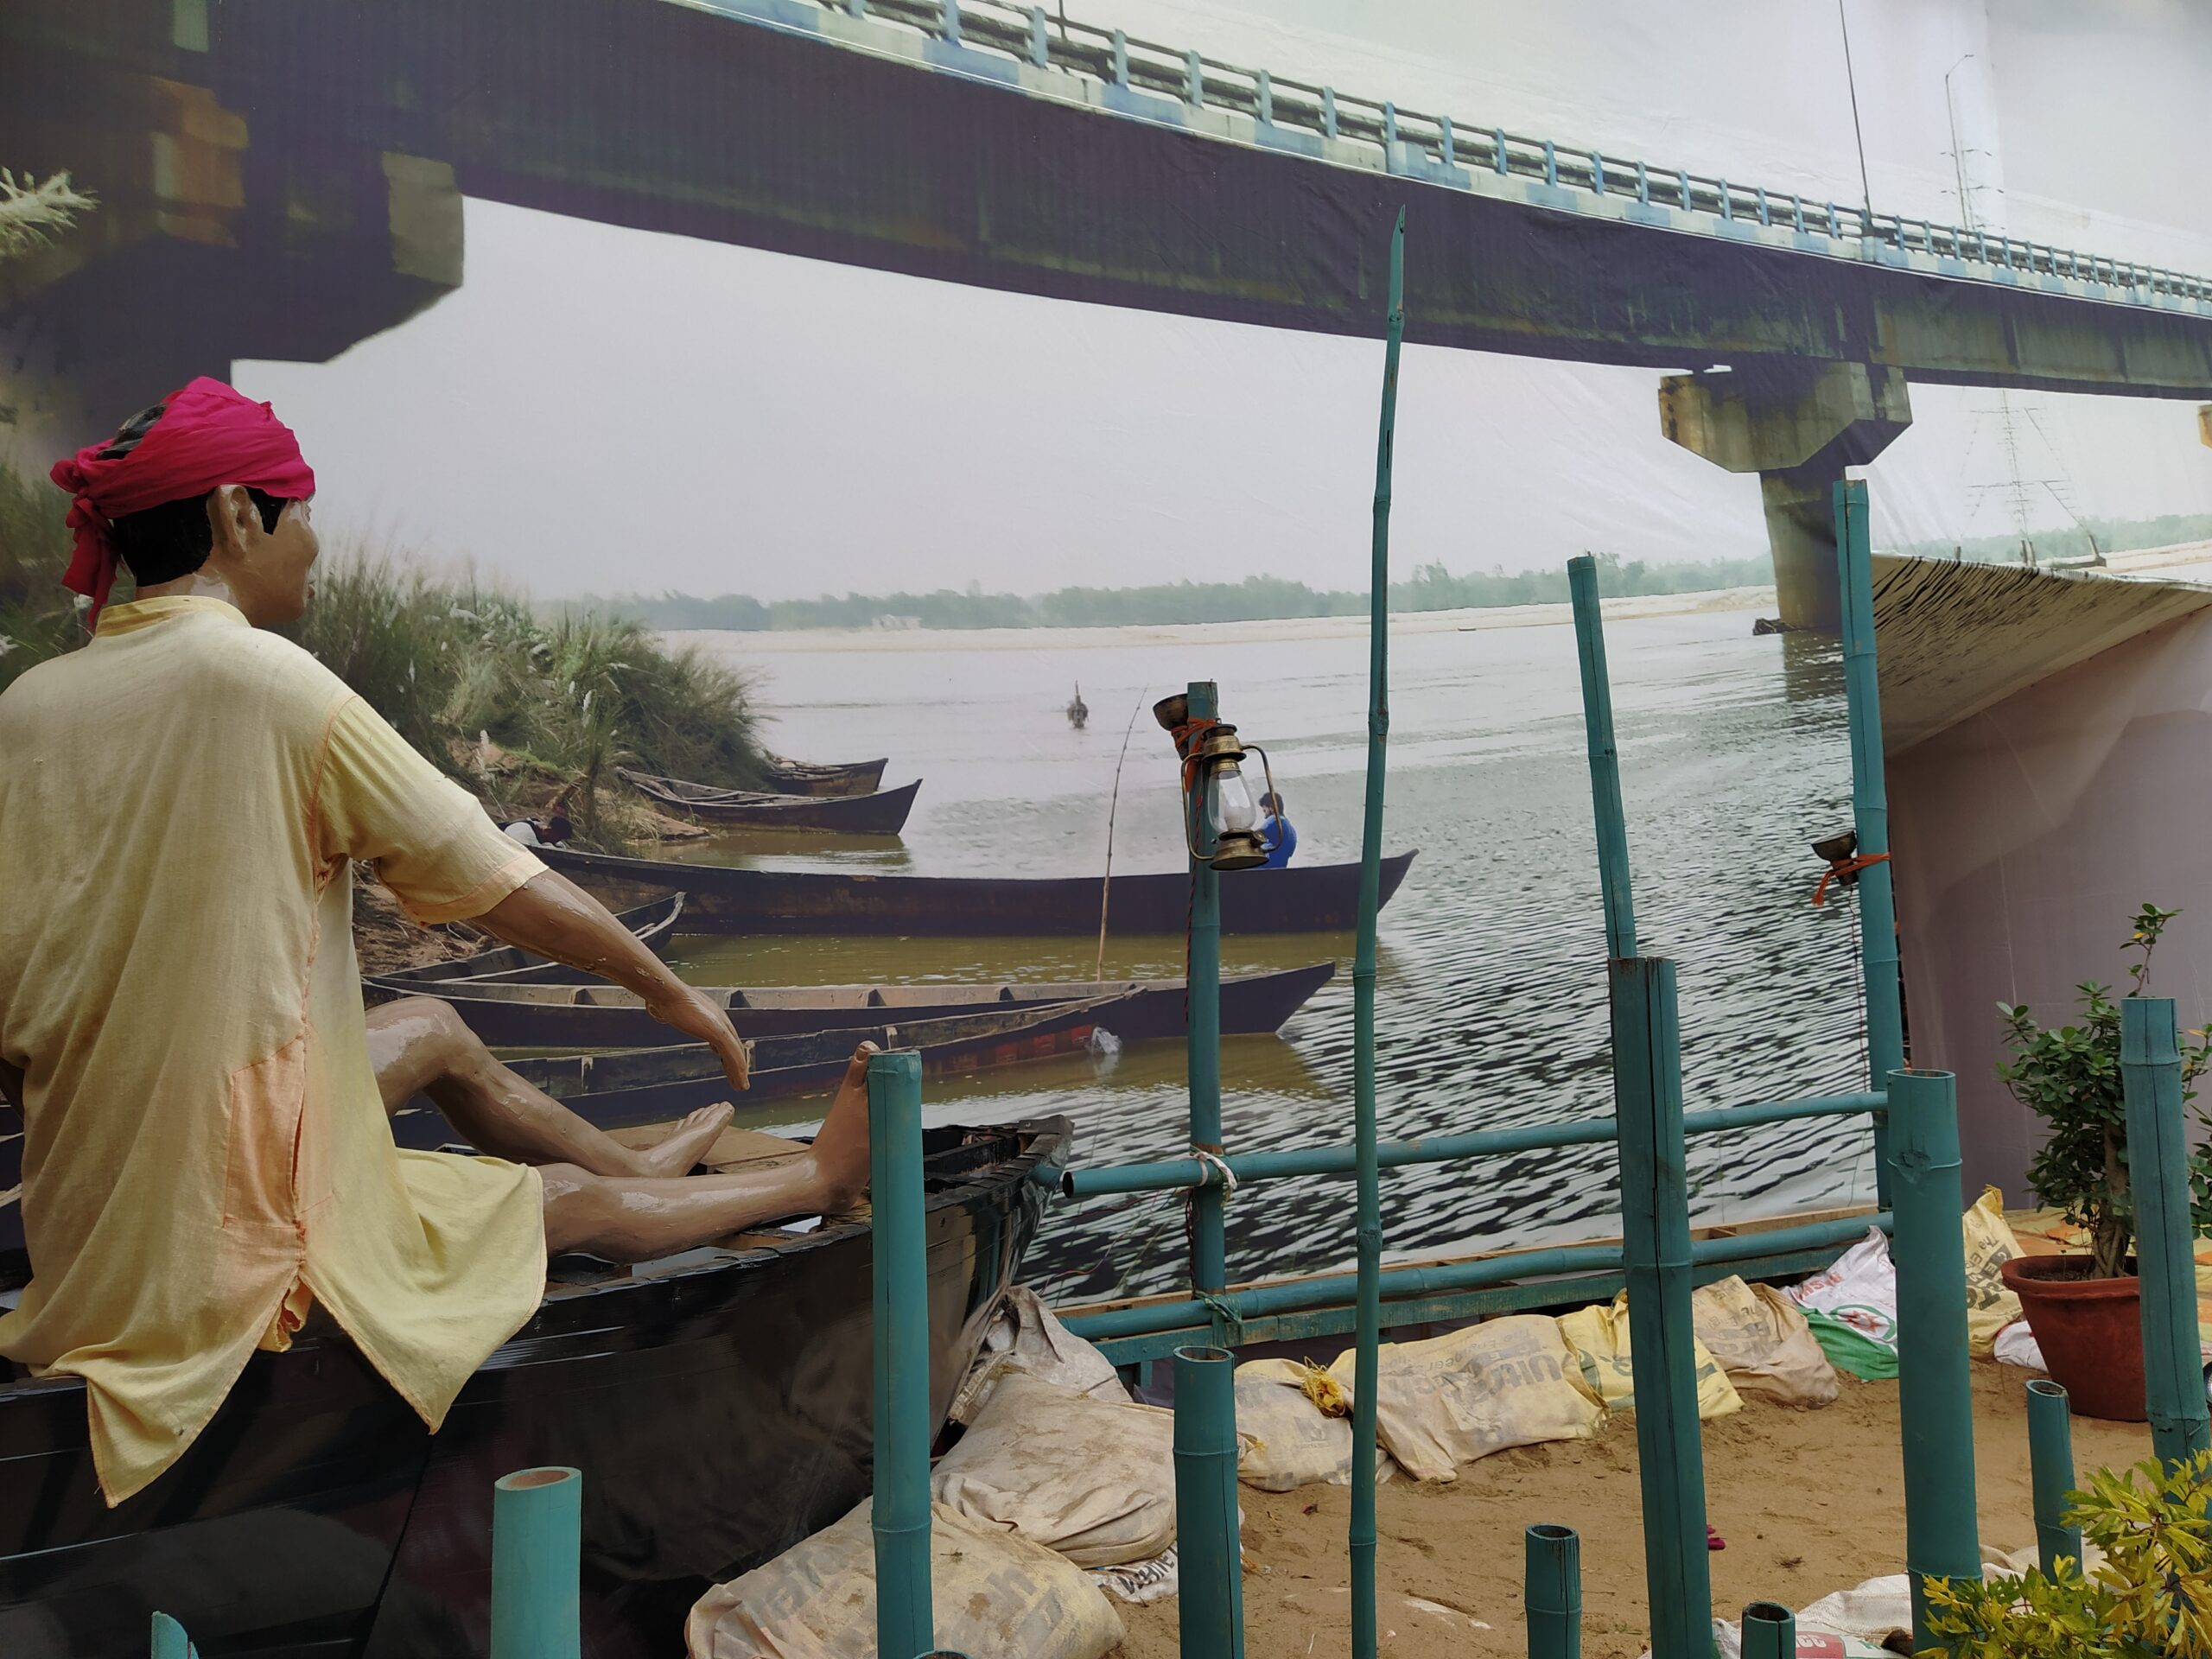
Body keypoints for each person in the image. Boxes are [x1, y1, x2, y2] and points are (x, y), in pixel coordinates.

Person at [0, 379, 869, 1505]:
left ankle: (640, 1162)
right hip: (221, 1254)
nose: (314, 539)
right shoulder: (263, 682)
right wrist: (668, 990)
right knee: (558, 1212)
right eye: (299, 508)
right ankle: (811, 1175)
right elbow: (496, 881)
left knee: (434, 1029)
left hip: (94, 1213)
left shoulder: (30, 706)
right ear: (233, 516)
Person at [1258, 789, 1298, 869]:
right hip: (1280, 867)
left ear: (1272, 808)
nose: (1265, 816)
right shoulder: (1291, 829)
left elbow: (1255, 837)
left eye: (1265, 810)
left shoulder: (1275, 819)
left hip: (1265, 867)